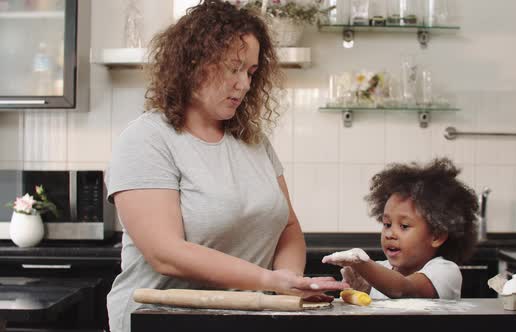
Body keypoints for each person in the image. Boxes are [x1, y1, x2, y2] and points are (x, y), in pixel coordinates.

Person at [105, 1, 347, 331]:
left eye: (250, 72)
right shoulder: (147, 140)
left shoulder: (253, 140)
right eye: (233, 68)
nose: (245, 85)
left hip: (244, 318)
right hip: (160, 322)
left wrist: (287, 280)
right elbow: (165, 252)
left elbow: (287, 227)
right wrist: (268, 279)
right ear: (194, 63)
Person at [322, 158, 478, 300]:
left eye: (404, 226)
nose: (390, 234)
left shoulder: (445, 272)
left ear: (436, 236)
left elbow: (404, 289)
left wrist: (364, 265)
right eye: (387, 224)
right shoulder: (380, 270)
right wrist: (364, 290)